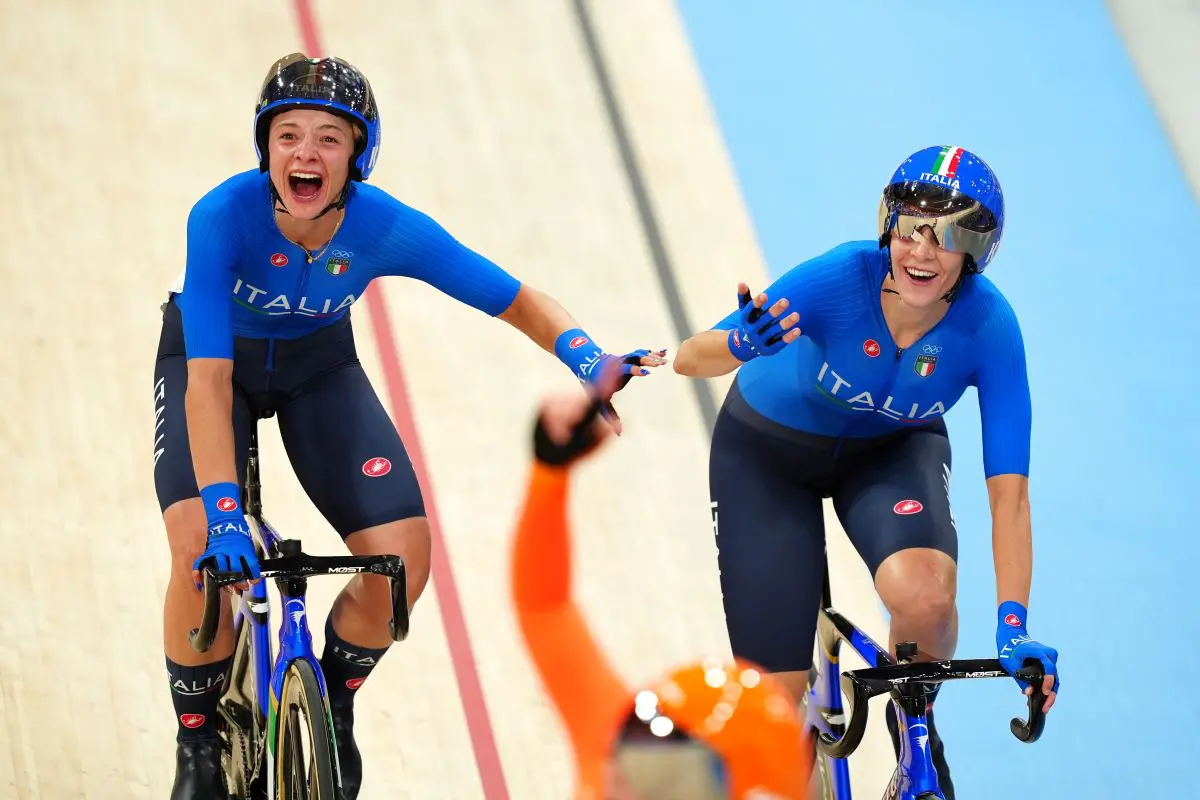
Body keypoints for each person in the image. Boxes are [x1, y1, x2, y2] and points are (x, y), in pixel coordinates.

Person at [152, 52, 666, 800]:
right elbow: (208, 383)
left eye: (328, 138)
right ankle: (196, 738)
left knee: (402, 562)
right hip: (209, 361)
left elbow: (512, 296)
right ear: (265, 147)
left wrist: (588, 358)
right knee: (199, 549)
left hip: (316, 366)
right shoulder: (220, 217)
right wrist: (226, 513)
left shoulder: (383, 226)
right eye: (288, 135)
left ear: (356, 158)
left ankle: (332, 701)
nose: (304, 153)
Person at [672, 146, 1061, 797]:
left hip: (890, 452)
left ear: (976, 252)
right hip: (769, 455)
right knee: (772, 715)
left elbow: (1011, 498)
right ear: (888, 226)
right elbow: (690, 356)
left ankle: (915, 723)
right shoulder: (840, 278)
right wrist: (741, 343)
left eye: (948, 237)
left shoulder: (990, 326)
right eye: (910, 229)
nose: (922, 251)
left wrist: (1013, 624)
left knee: (928, 600)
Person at [512, 365, 811, 799]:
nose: (613, 771)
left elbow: (543, 610)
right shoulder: (614, 737)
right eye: (638, 738)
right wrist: (549, 474)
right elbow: (545, 607)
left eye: (657, 774)